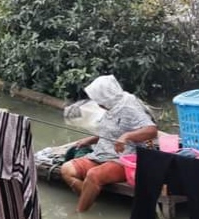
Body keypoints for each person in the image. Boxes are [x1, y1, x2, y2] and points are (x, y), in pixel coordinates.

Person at [59, 75, 158, 212]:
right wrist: (90, 140)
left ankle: (80, 213)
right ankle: (91, 197)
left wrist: (126, 136)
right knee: (67, 169)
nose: (96, 102)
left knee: (94, 175)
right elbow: (109, 131)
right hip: (101, 154)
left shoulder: (129, 106)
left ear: (106, 96)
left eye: (98, 98)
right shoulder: (110, 107)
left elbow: (152, 130)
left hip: (123, 159)